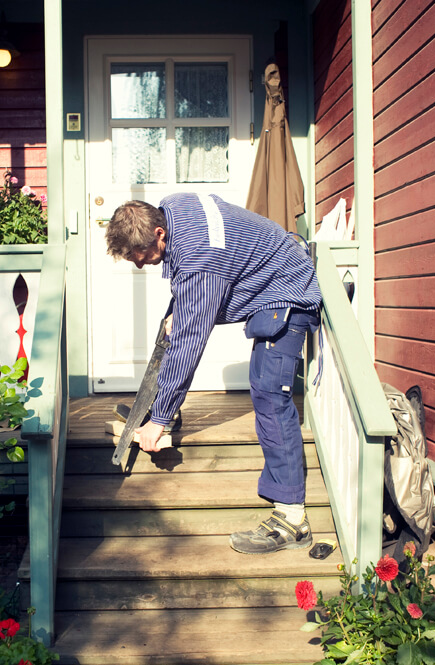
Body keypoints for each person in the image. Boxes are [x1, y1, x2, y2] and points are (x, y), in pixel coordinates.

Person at [105, 193, 322, 554]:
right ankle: (165, 410)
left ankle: (293, 520)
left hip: (287, 293)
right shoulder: (174, 205)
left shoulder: (199, 263)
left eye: (140, 257)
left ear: (160, 232)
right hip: (270, 274)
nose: (140, 266)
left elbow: (191, 342)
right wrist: (183, 303)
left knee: (270, 395)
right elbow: (196, 273)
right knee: (175, 327)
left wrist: (156, 423)